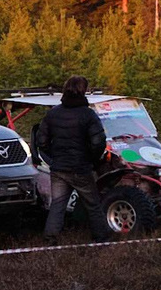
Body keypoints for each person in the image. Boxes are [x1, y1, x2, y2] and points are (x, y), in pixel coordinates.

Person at [38, 77, 113, 242]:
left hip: (59, 169)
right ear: (83, 91)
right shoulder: (88, 115)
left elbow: (41, 141)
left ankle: (50, 239)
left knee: (57, 205)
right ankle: (102, 239)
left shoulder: (53, 114)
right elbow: (98, 142)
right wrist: (92, 160)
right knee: (93, 205)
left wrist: (53, 158)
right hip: (81, 168)